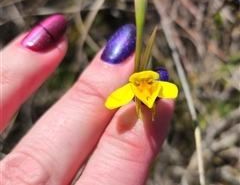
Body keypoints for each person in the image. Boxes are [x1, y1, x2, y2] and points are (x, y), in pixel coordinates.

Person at [0, 14, 174, 185]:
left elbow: (168, 92)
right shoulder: (128, 91)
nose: (144, 87)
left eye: (148, 82)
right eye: (141, 84)